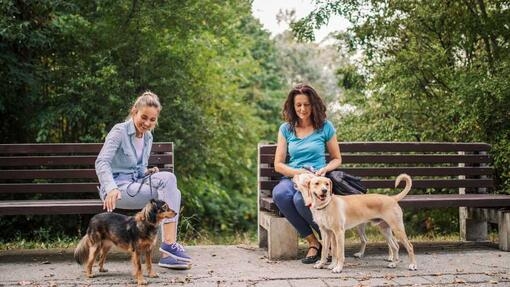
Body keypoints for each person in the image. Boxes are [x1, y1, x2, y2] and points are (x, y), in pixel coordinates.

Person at [95, 90, 192, 270]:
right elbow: (102, 162)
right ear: (134, 111)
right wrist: (110, 188)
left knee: (170, 184)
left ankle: (168, 251)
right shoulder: (119, 131)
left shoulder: (148, 137)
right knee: (171, 190)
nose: (147, 123)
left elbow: (138, 172)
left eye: (152, 119)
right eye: (144, 117)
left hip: (134, 186)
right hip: (116, 191)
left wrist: (147, 173)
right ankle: (169, 247)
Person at [272, 83, 342, 264]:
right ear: (293, 107)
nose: (303, 109)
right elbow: (278, 164)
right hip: (293, 176)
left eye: (307, 104)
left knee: (299, 200)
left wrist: (326, 169)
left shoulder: (325, 127)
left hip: (317, 178)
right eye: (298, 105)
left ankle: (329, 240)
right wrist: (298, 171)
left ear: (314, 105)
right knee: (280, 193)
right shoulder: (286, 129)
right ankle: (313, 242)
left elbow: (336, 158)